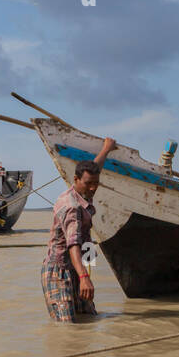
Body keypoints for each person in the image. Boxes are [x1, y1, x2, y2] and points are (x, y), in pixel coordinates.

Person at [42, 137, 116, 322]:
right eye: (88, 183)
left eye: (95, 183)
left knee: (89, 318)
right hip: (59, 272)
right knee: (67, 325)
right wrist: (84, 276)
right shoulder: (72, 207)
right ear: (75, 179)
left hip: (76, 267)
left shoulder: (84, 191)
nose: (93, 188)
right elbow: (73, 244)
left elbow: (95, 167)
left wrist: (106, 149)